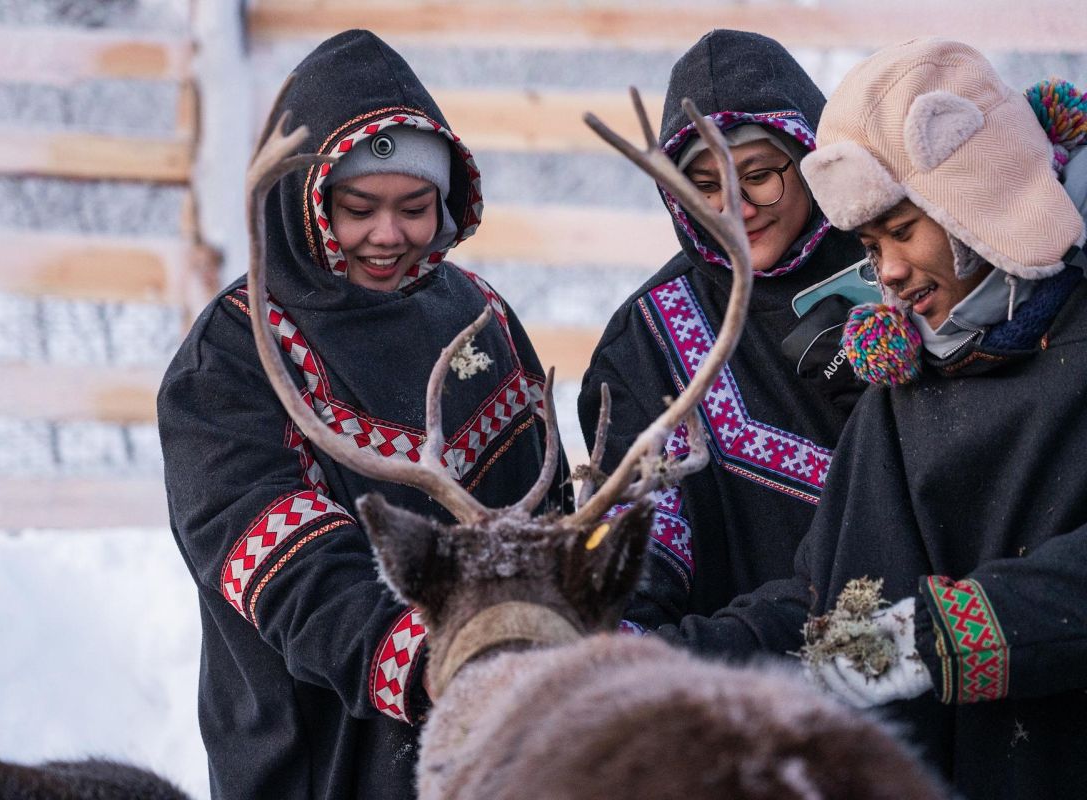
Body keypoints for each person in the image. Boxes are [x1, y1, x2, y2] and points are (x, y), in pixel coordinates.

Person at [659, 39, 1087, 799]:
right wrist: (666, 665)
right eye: (869, 243)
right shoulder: (907, 387)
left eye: (903, 230)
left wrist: (938, 637)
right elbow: (831, 600)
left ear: (975, 202)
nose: (885, 271)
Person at [157, 30, 569, 800]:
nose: (389, 237)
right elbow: (288, 572)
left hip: (500, 741)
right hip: (322, 755)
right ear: (306, 200)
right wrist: (445, 666)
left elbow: (546, 510)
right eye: (358, 209)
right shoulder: (236, 358)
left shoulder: (477, 313)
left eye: (415, 207)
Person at [578, 29, 868, 629]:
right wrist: (620, 632)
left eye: (759, 174)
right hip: (754, 672)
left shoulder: (893, 261)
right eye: (705, 187)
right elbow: (639, 519)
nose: (736, 207)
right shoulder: (648, 336)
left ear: (811, 157)